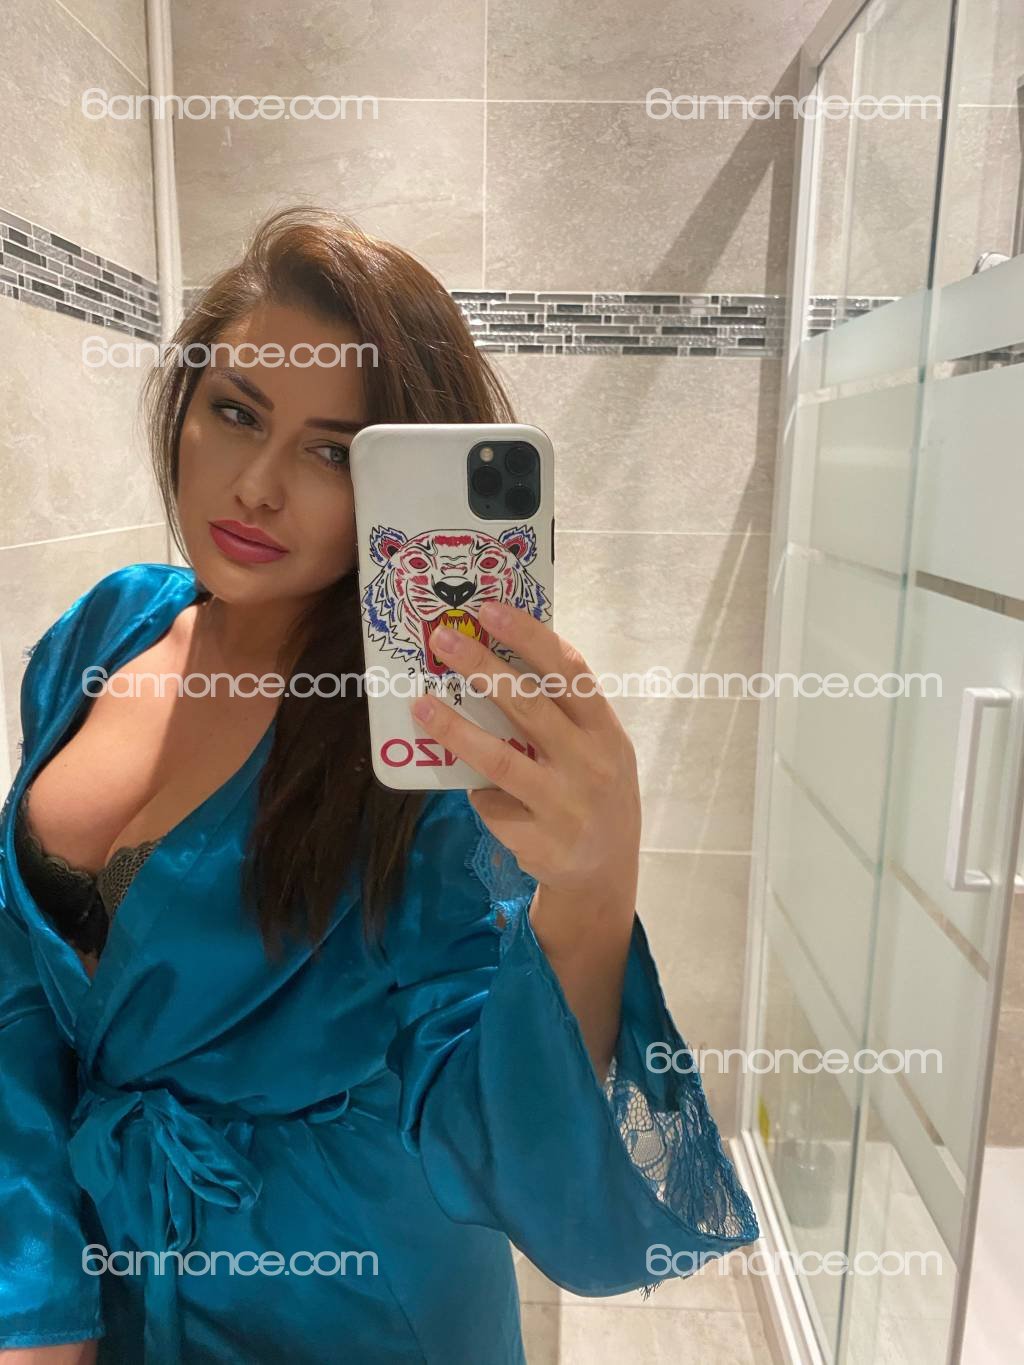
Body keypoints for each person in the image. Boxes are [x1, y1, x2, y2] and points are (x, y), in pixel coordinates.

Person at [0, 206, 759, 1365]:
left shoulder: (421, 746)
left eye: (333, 453)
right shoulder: (102, 630)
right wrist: (39, 1294)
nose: (257, 487)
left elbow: (512, 1152)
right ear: (184, 401)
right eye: (236, 412)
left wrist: (593, 888)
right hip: (107, 1265)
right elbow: (17, 977)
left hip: (345, 1301)